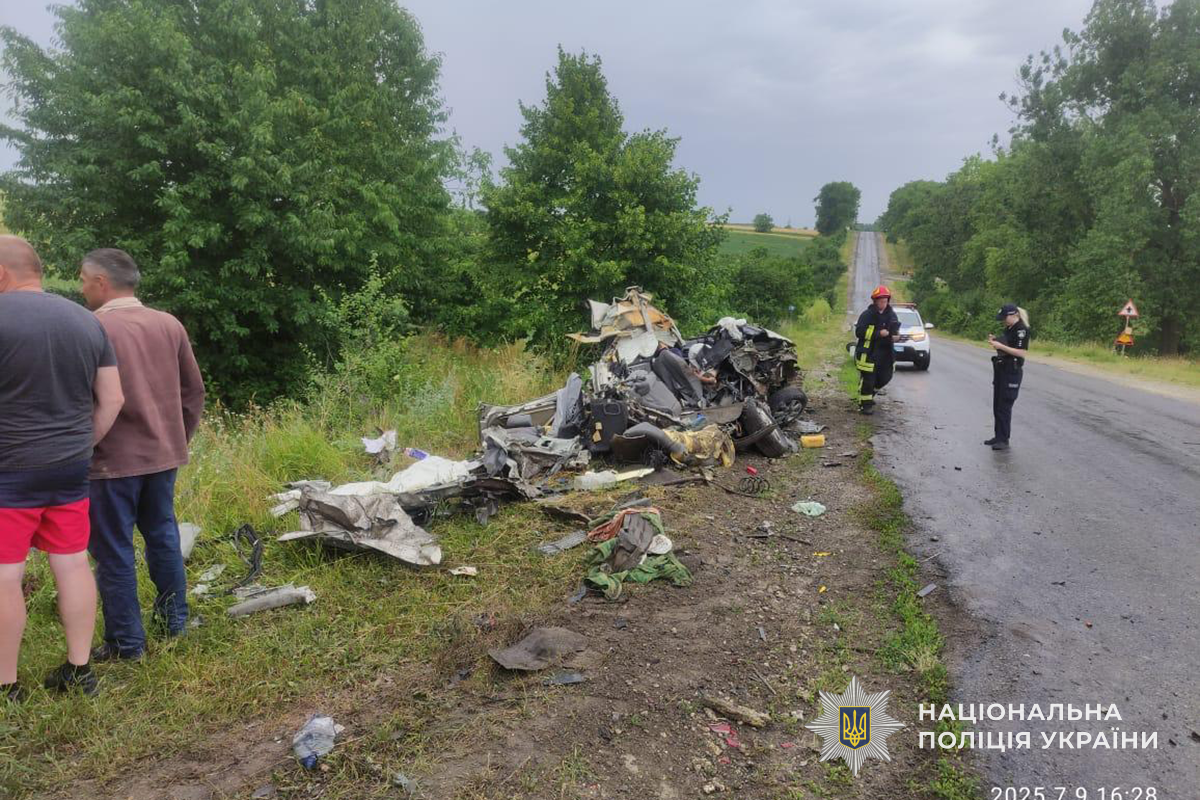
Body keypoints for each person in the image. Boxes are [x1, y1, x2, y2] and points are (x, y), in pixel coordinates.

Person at [0, 236, 124, 699]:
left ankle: (6, 685)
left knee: (4, 574)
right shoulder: (85, 320)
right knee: (72, 564)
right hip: (70, 470)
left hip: (8, 472)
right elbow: (113, 398)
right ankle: (80, 670)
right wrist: (80, 445)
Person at [78, 249, 205, 661]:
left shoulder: (91, 328)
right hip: (163, 456)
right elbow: (194, 391)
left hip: (110, 461)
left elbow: (81, 398)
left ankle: (126, 643)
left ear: (102, 282)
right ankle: (174, 624)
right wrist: (177, 439)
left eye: (83, 279)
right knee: (163, 537)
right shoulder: (169, 324)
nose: (80, 288)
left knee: (113, 551)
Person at [985, 303, 1030, 451]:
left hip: (1012, 371)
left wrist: (1000, 346)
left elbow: (1021, 352)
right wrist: (996, 342)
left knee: (1005, 405)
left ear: (1014, 315)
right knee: (997, 404)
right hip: (1002, 369)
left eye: (1005, 318)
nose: (1003, 321)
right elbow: (1007, 346)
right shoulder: (1009, 328)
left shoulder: (1022, 330)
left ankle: (1004, 440)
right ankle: (998, 436)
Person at [853, 285, 901, 414]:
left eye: (885, 301)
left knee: (886, 377)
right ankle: (865, 405)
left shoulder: (891, 314)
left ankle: (868, 393)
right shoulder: (867, 315)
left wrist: (896, 336)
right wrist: (878, 333)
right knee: (869, 380)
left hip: (886, 354)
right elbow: (859, 332)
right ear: (875, 301)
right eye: (881, 301)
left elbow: (895, 330)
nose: (883, 303)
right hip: (869, 354)